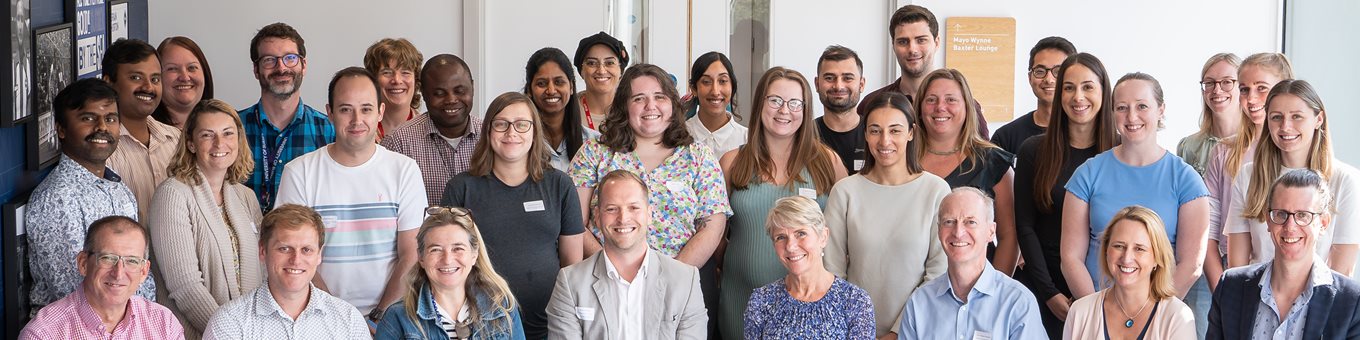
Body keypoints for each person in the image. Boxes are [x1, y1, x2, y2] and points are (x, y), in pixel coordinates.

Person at [274, 67, 428, 321]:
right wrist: (341, 319)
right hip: (317, 316)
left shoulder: (404, 170)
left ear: (380, 111)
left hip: (391, 317)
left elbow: (411, 254)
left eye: (366, 109)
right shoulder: (299, 173)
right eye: (346, 109)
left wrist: (379, 317)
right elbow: (294, 256)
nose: (357, 120)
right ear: (330, 113)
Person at [717, 66, 847, 339]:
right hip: (741, 296)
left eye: (794, 103)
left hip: (809, 302)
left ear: (806, 108)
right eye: (774, 100)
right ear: (760, 104)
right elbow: (715, 235)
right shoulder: (731, 163)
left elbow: (844, 232)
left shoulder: (828, 162)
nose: (784, 111)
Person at [441, 92, 585, 339]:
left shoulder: (559, 185)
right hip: (480, 325)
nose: (511, 133)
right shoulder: (461, 188)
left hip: (549, 325)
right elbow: (448, 260)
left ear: (534, 131)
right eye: (501, 124)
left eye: (521, 124)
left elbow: (572, 266)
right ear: (488, 131)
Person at [1062, 72, 1211, 301]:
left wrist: (1153, 313)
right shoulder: (1087, 174)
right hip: (1096, 310)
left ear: (1160, 110)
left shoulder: (1186, 180)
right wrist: (1096, 311)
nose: (1132, 116)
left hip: (1159, 314)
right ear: (1112, 112)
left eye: (1142, 106)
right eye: (1122, 107)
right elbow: (1070, 258)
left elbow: (1191, 264)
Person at [569, 64, 731, 267]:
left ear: (672, 104)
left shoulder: (699, 156)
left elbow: (712, 227)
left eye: (659, 97)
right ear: (623, 106)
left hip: (680, 282)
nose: (650, 106)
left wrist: (670, 277)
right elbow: (574, 222)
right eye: (639, 99)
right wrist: (615, 272)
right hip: (605, 279)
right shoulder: (594, 152)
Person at [824, 91, 951, 339]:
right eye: (875, 130)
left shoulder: (936, 191)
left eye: (895, 130)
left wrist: (898, 331)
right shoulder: (845, 191)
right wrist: (856, 329)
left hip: (918, 328)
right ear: (865, 135)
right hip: (852, 329)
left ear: (911, 133)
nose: (884, 141)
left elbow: (937, 273)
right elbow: (832, 271)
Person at [1013, 53, 1119, 339]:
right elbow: (1025, 226)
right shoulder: (1033, 151)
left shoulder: (1122, 151)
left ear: (1103, 91)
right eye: (1069, 87)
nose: (1078, 97)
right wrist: (1050, 294)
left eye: (1087, 87)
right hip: (1044, 288)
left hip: (1109, 290)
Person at [27, 78, 156, 313]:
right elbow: (73, 292)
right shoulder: (58, 198)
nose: (102, 128)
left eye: (110, 119)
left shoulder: (118, 187)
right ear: (61, 129)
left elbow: (142, 277)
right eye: (88, 118)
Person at [148, 99, 263, 338]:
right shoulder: (173, 194)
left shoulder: (245, 197)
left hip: (250, 331)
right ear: (190, 143)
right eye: (207, 135)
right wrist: (229, 333)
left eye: (228, 133)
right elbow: (185, 287)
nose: (220, 144)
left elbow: (262, 270)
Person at [546, 170, 707, 339]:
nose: (623, 218)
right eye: (612, 209)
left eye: (634, 207)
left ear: (649, 214)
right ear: (598, 217)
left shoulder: (685, 280)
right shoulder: (570, 282)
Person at [1226, 79, 1359, 276]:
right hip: (1257, 298)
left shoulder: (1345, 180)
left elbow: (1342, 270)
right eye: (1276, 117)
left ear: (1318, 119)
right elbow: (1237, 266)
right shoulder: (1248, 176)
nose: (1285, 127)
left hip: (1319, 302)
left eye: (1297, 116)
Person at [1208, 169, 1360, 339]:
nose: (1290, 226)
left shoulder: (1352, 301)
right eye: (1281, 214)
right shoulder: (1230, 287)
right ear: (1268, 220)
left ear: (1323, 223)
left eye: (1303, 215)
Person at [202, 204, 369, 339]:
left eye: (306, 250)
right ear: (262, 251)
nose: (296, 260)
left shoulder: (349, 320)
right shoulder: (229, 322)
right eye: (284, 248)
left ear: (319, 254)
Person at [899, 187, 1045, 340]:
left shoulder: (1018, 303)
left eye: (970, 222)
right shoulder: (919, 302)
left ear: (991, 231)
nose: (958, 232)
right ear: (939, 230)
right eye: (949, 222)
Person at [915, 68, 1019, 275]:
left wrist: (992, 294)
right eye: (931, 100)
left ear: (967, 107)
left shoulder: (993, 162)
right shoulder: (903, 159)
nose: (940, 107)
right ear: (919, 108)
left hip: (973, 287)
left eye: (951, 100)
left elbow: (1009, 236)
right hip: (909, 284)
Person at [1203, 52, 1292, 291]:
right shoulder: (1225, 152)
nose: (1251, 99)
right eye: (1244, 89)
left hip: (1288, 267)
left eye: (1261, 88)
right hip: (1232, 268)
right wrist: (1224, 290)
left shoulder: (1296, 151)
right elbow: (1209, 230)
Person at [20, 217, 184, 340]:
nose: (118, 273)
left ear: (143, 271)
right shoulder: (43, 334)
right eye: (107, 258)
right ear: (83, 263)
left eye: (132, 261)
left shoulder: (164, 324)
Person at [376, 207, 526, 340]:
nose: (447, 260)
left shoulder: (501, 307)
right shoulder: (397, 317)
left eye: (458, 248)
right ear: (421, 258)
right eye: (436, 249)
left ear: (474, 254)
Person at [742, 196, 873, 339]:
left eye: (801, 234)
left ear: (823, 237)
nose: (790, 246)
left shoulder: (856, 301)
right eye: (780, 237)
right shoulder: (761, 300)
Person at [240, 22, 336, 213]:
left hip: (308, 241)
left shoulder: (329, 130)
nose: (281, 68)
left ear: (303, 65)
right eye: (269, 60)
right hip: (244, 241)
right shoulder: (233, 128)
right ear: (256, 70)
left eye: (290, 58)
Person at [1062, 206, 1197, 339]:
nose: (1126, 258)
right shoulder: (1079, 312)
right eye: (1119, 246)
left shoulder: (1178, 316)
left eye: (1139, 249)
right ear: (1106, 251)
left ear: (1157, 258)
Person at [859, 4, 988, 139]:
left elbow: (983, 156)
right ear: (893, 45)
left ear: (936, 42)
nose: (912, 49)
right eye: (903, 42)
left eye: (921, 40)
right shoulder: (871, 103)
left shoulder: (964, 106)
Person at [382, 54, 480, 206]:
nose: (451, 100)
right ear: (424, 94)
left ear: (472, 87)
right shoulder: (398, 143)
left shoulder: (492, 135)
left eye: (459, 91)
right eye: (439, 94)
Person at [103, 38, 181, 220]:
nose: (148, 87)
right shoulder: (103, 150)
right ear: (108, 83)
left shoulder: (176, 139)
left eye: (155, 79)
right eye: (136, 78)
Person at [990, 36, 1077, 156]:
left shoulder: (1085, 133)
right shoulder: (1006, 136)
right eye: (1040, 71)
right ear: (1030, 78)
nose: (1049, 79)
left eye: (1058, 71)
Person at [524, 47, 597, 172]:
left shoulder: (594, 144)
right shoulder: (518, 141)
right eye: (541, 83)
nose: (551, 90)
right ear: (529, 90)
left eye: (559, 82)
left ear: (571, 87)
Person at [1178, 53, 1243, 176]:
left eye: (1227, 82)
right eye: (1209, 83)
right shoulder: (1188, 147)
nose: (1217, 90)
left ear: (1242, 87)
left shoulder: (1258, 144)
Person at [814, 45, 868, 174]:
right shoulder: (804, 136)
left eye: (847, 78)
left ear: (861, 85)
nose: (838, 86)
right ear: (817, 84)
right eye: (829, 78)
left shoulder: (877, 134)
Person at [684, 51, 746, 156]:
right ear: (694, 89)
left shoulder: (747, 140)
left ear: (732, 86)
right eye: (706, 82)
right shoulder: (678, 137)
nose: (715, 92)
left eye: (722, 81)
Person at [363, 38, 423, 141]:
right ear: (373, 79)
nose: (397, 80)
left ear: (416, 79)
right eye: (387, 72)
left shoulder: (430, 131)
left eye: (405, 72)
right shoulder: (358, 128)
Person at [152, 36, 215, 129]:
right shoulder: (144, 135)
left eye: (192, 68)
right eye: (172, 69)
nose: (185, 77)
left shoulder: (229, 126)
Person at [573, 32, 629, 131]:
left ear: (621, 70)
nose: (601, 71)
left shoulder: (632, 110)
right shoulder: (568, 111)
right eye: (592, 63)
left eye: (609, 63)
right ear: (581, 71)